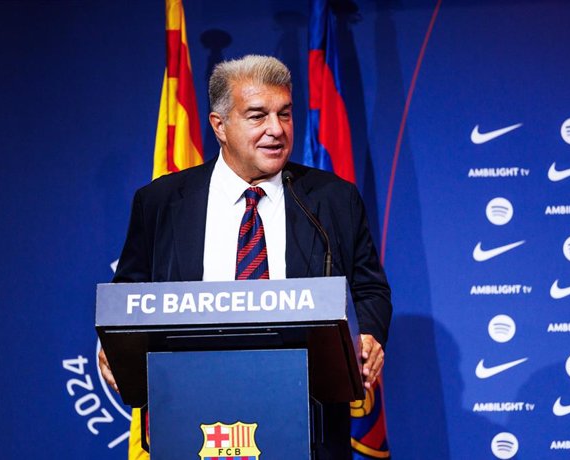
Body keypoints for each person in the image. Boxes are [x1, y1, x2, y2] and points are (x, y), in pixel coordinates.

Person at [99, 54, 392, 459]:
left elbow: (370, 289)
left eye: (285, 114)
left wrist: (369, 334)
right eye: (258, 116)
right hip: (189, 420)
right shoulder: (161, 203)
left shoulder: (332, 200)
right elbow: (131, 291)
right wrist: (118, 343)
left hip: (311, 427)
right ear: (219, 126)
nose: (277, 130)